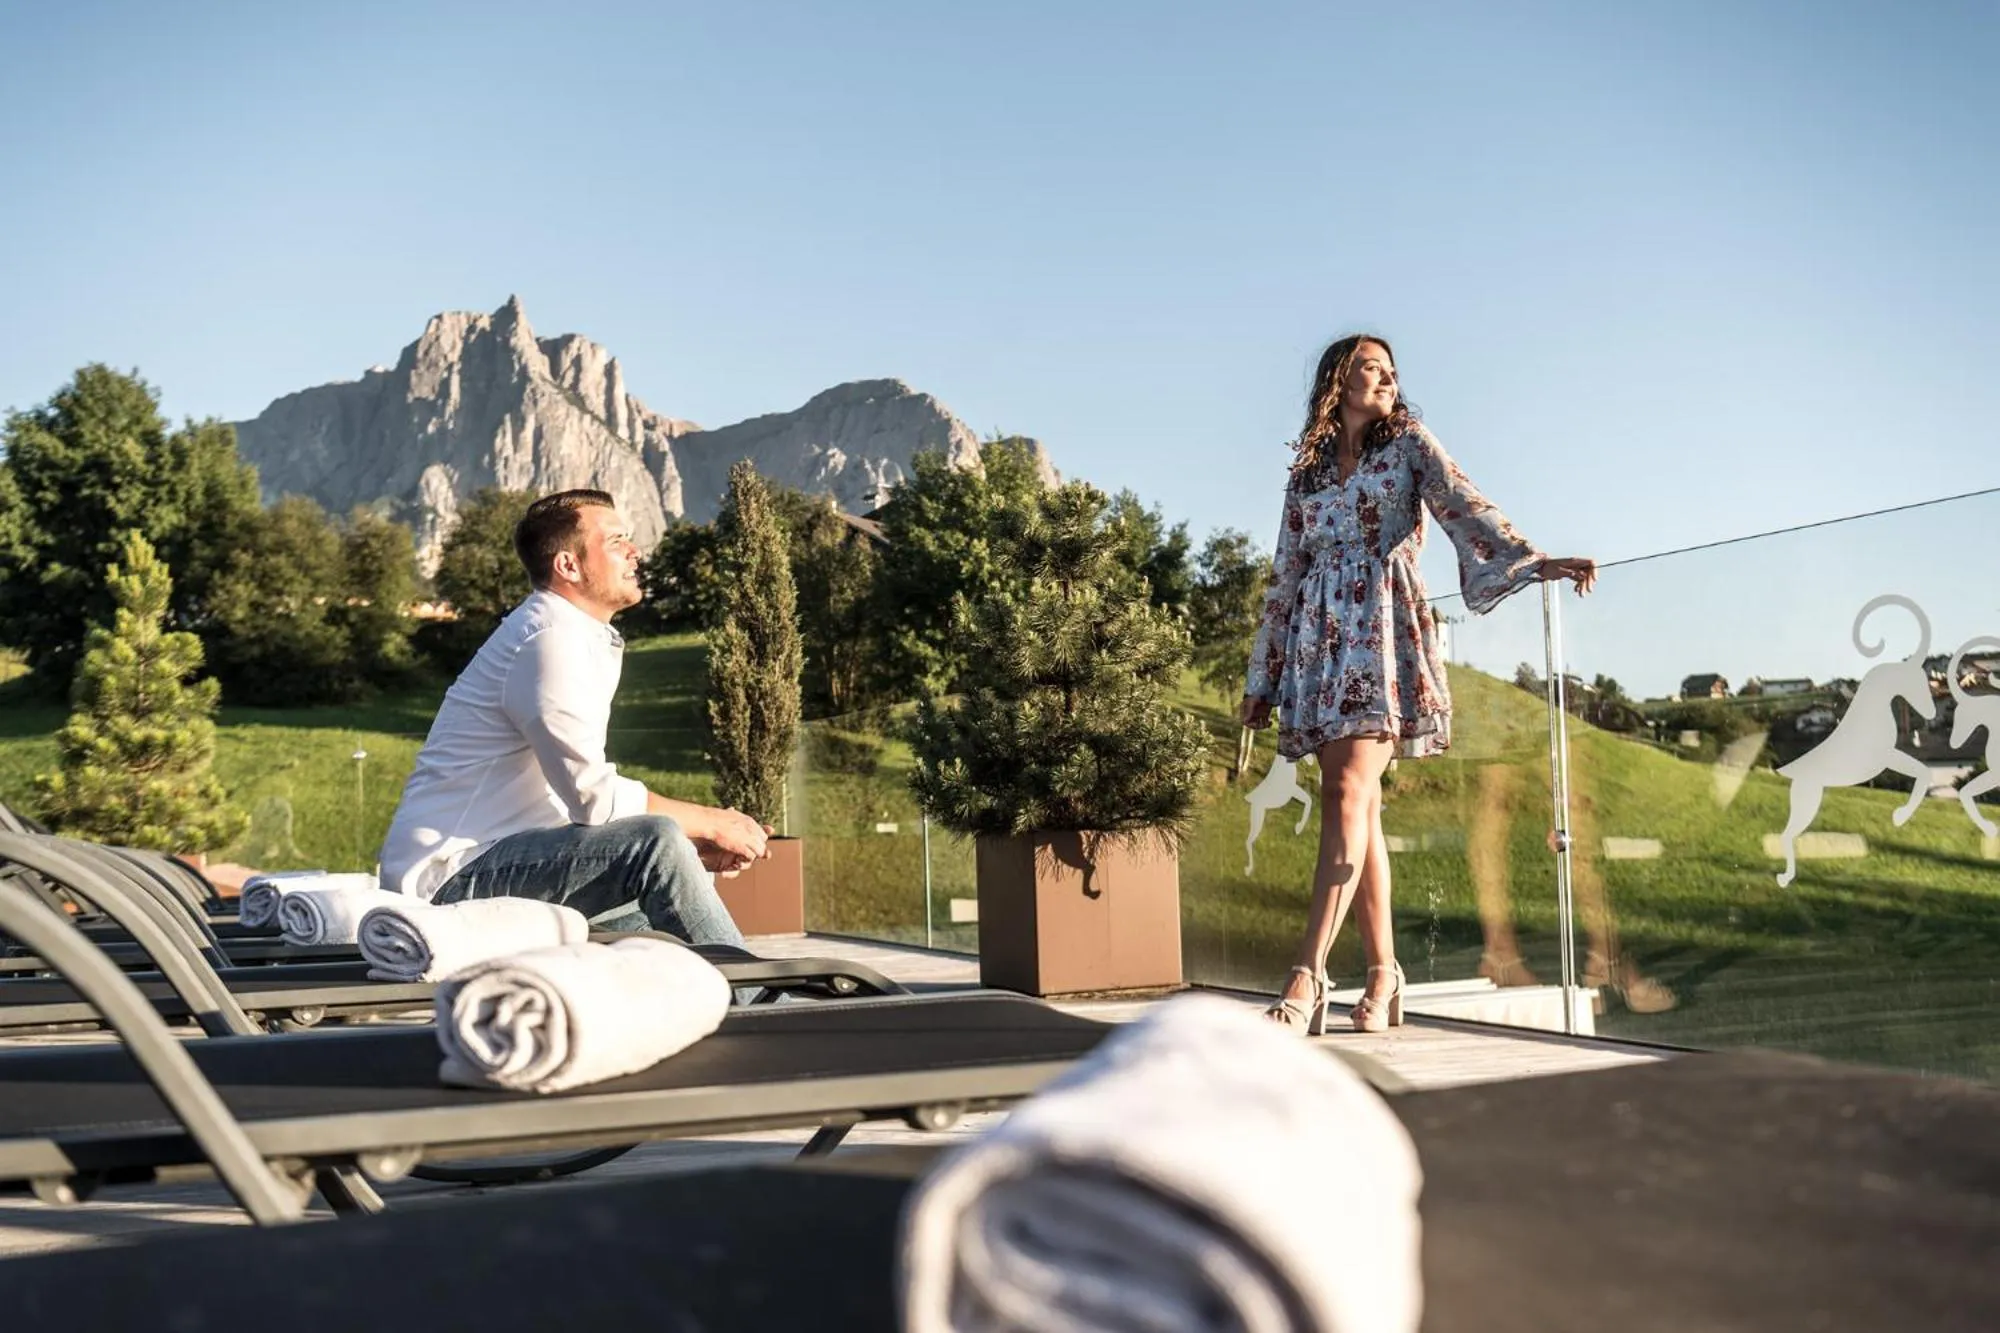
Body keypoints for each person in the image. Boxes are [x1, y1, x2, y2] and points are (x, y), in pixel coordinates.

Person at [1241, 335, 1597, 1033]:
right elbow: (1285, 571)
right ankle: (1385, 974)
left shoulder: (1408, 444)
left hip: (1381, 632)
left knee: (1347, 793)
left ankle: (1308, 974)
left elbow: (1463, 502)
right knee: (1360, 809)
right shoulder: (1308, 473)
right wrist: (1266, 673)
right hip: (1320, 643)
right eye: (1371, 368)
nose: (1386, 379)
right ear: (1338, 380)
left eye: (1391, 371)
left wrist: (1535, 562)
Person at [377, 489, 769, 948]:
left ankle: (754, 991)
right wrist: (710, 822)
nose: (635, 551)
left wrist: (690, 848)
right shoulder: (548, 640)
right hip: (449, 877)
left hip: (509, 857)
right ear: (568, 565)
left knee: (659, 933)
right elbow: (593, 798)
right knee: (657, 841)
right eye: (616, 541)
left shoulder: (572, 635)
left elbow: (574, 806)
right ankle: (758, 992)